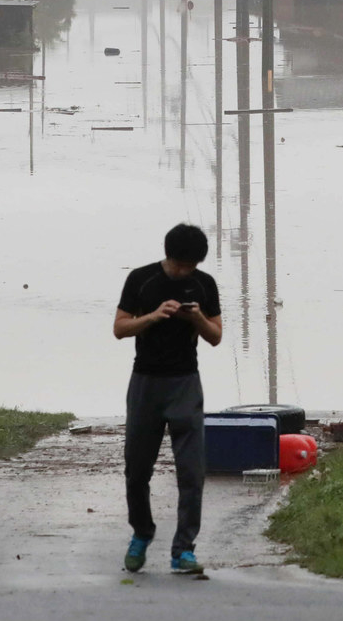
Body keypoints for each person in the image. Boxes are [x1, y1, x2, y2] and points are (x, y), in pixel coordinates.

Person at [113, 223, 222, 575]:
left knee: (192, 472)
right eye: (180, 265)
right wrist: (153, 316)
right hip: (145, 383)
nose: (184, 272)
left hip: (185, 384)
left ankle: (183, 550)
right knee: (136, 470)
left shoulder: (204, 284)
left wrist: (197, 317)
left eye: (191, 266)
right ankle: (141, 534)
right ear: (169, 256)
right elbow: (119, 328)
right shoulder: (141, 280)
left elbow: (216, 336)